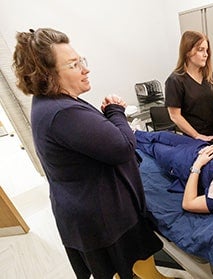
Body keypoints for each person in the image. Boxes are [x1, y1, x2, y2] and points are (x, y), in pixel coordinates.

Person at [13, 28, 171, 279]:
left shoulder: (54, 104)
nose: (85, 69)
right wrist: (116, 111)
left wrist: (109, 119)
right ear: (48, 75)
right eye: (74, 65)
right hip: (103, 219)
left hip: (90, 211)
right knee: (126, 271)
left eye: (81, 61)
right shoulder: (63, 112)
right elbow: (123, 147)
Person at [165, 30, 213, 142]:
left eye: (206, 50)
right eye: (200, 50)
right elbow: (175, 116)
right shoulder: (175, 81)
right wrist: (196, 135)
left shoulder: (209, 75)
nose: (206, 54)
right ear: (187, 52)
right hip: (194, 139)